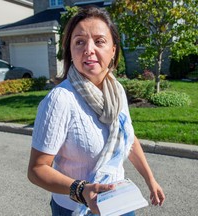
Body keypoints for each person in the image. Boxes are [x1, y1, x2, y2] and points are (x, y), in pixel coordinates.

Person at [28, 6, 165, 216]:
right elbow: (37, 170)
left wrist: (150, 179)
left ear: (113, 50)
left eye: (99, 41)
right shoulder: (60, 100)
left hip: (119, 202)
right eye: (79, 41)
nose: (89, 49)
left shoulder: (116, 90)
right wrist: (80, 190)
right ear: (70, 52)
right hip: (75, 209)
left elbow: (127, 136)